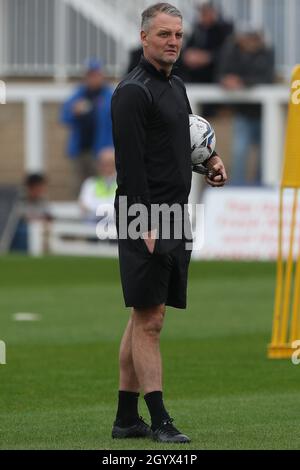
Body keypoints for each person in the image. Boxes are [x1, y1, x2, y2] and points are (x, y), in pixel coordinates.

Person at [111, 3, 227, 443]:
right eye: (163, 34)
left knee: (146, 314)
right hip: (147, 216)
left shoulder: (177, 86)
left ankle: (125, 419)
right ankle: (159, 419)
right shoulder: (130, 92)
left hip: (176, 213)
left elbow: (182, 142)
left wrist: (209, 162)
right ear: (144, 38)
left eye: (177, 34)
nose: (173, 41)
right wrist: (144, 219)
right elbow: (130, 164)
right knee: (151, 319)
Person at [218, 26, 274, 185]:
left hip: (266, 115)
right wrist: (227, 80)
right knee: (239, 153)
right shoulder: (232, 52)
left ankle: (262, 187)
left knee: (266, 154)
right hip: (243, 113)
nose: (249, 41)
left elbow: (267, 78)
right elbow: (221, 74)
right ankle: (237, 188)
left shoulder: (266, 53)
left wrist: (243, 82)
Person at [60, 59, 114, 196]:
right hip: (80, 151)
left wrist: (111, 148)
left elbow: (116, 123)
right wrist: (74, 111)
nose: (93, 78)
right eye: (90, 75)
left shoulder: (109, 95)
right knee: (80, 188)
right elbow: (64, 117)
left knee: (103, 186)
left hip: (101, 152)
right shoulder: (79, 94)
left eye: (96, 74)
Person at [179, 3, 233, 84]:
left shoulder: (224, 30)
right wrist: (189, 55)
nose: (203, 16)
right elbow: (188, 48)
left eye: (206, 13)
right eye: (202, 13)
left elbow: (227, 52)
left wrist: (208, 57)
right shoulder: (198, 29)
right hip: (194, 74)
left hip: (214, 75)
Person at [10, 174, 52, 252]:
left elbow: (48, 216)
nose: (41, 190)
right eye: (39, 187)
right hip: (23, 231)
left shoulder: (43, 201)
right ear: (30, 187)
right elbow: (21, 217)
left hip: (41, 229)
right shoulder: (19, 200)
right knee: (23, 231)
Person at [78, 147, 116, 223]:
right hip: (93, 229)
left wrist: (96, 209)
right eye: (103, 164)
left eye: (110, 163)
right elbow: (84, 207)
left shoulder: (123, 185)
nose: (106, 167)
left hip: (116, 230)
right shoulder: (90, 183)